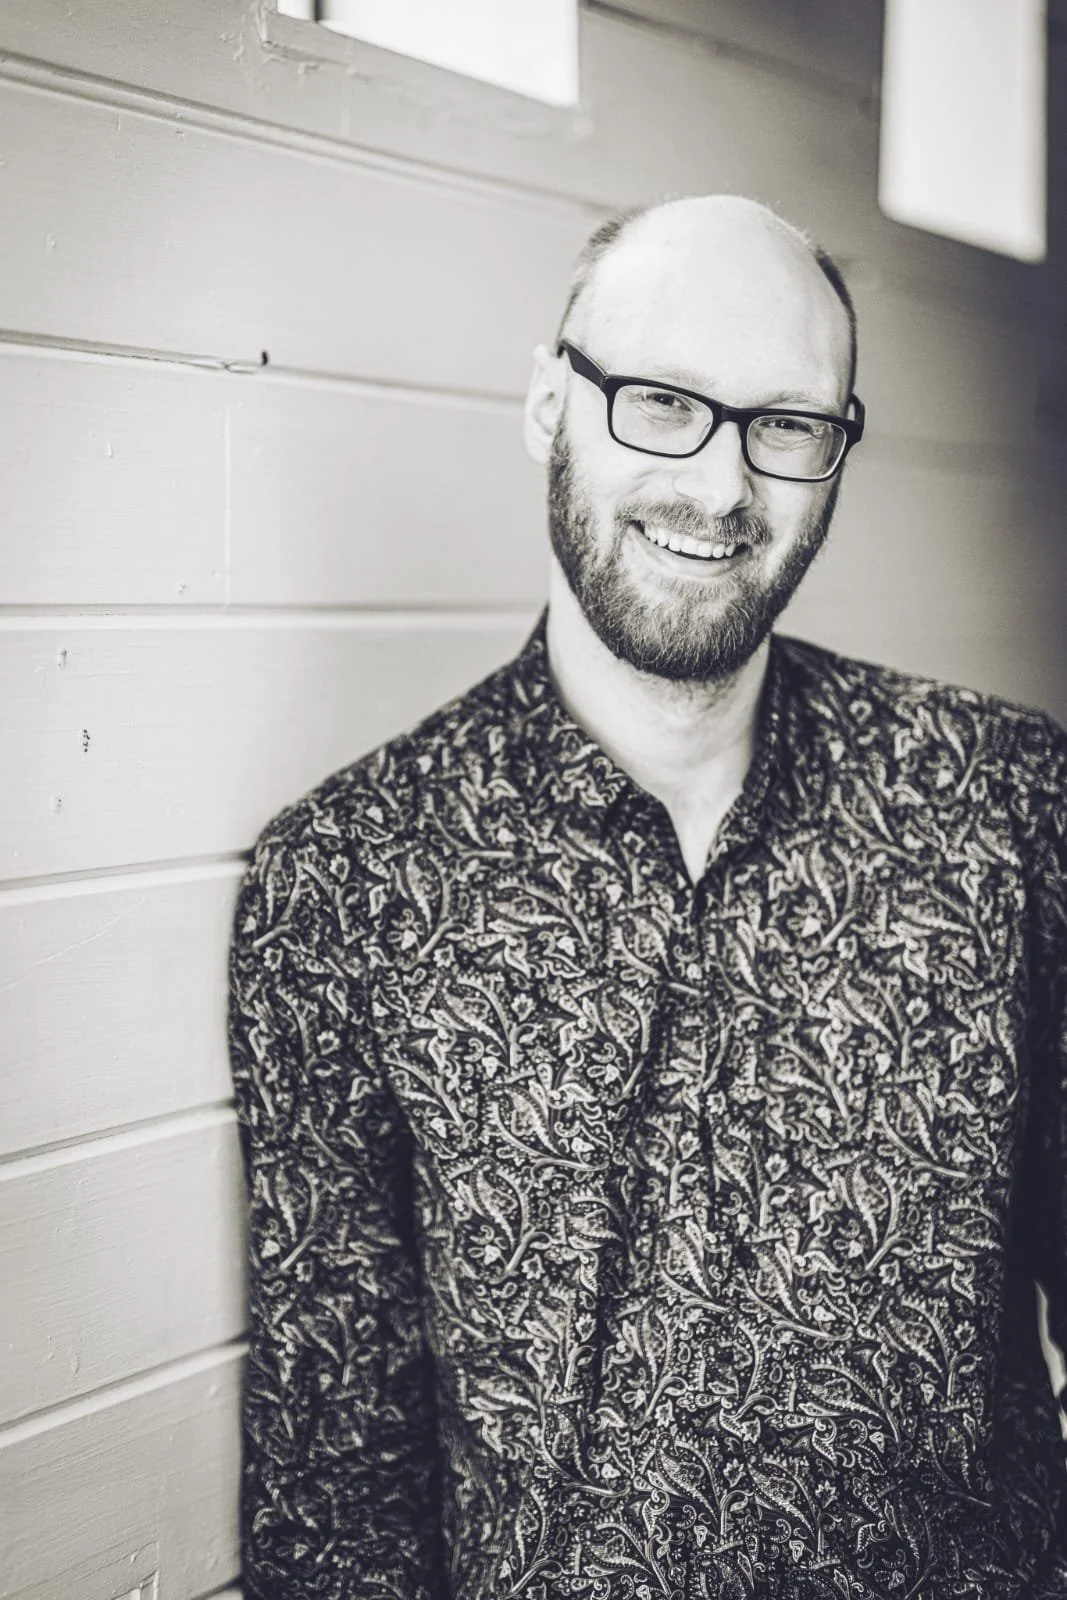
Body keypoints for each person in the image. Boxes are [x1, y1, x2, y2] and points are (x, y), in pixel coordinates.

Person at [229, 195, 1067, 1599]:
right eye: (662, 403)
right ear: (550, 405)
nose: (724, 488)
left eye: (788, 424)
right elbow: (337, 1495)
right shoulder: (348, 879)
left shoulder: (1005, 808)